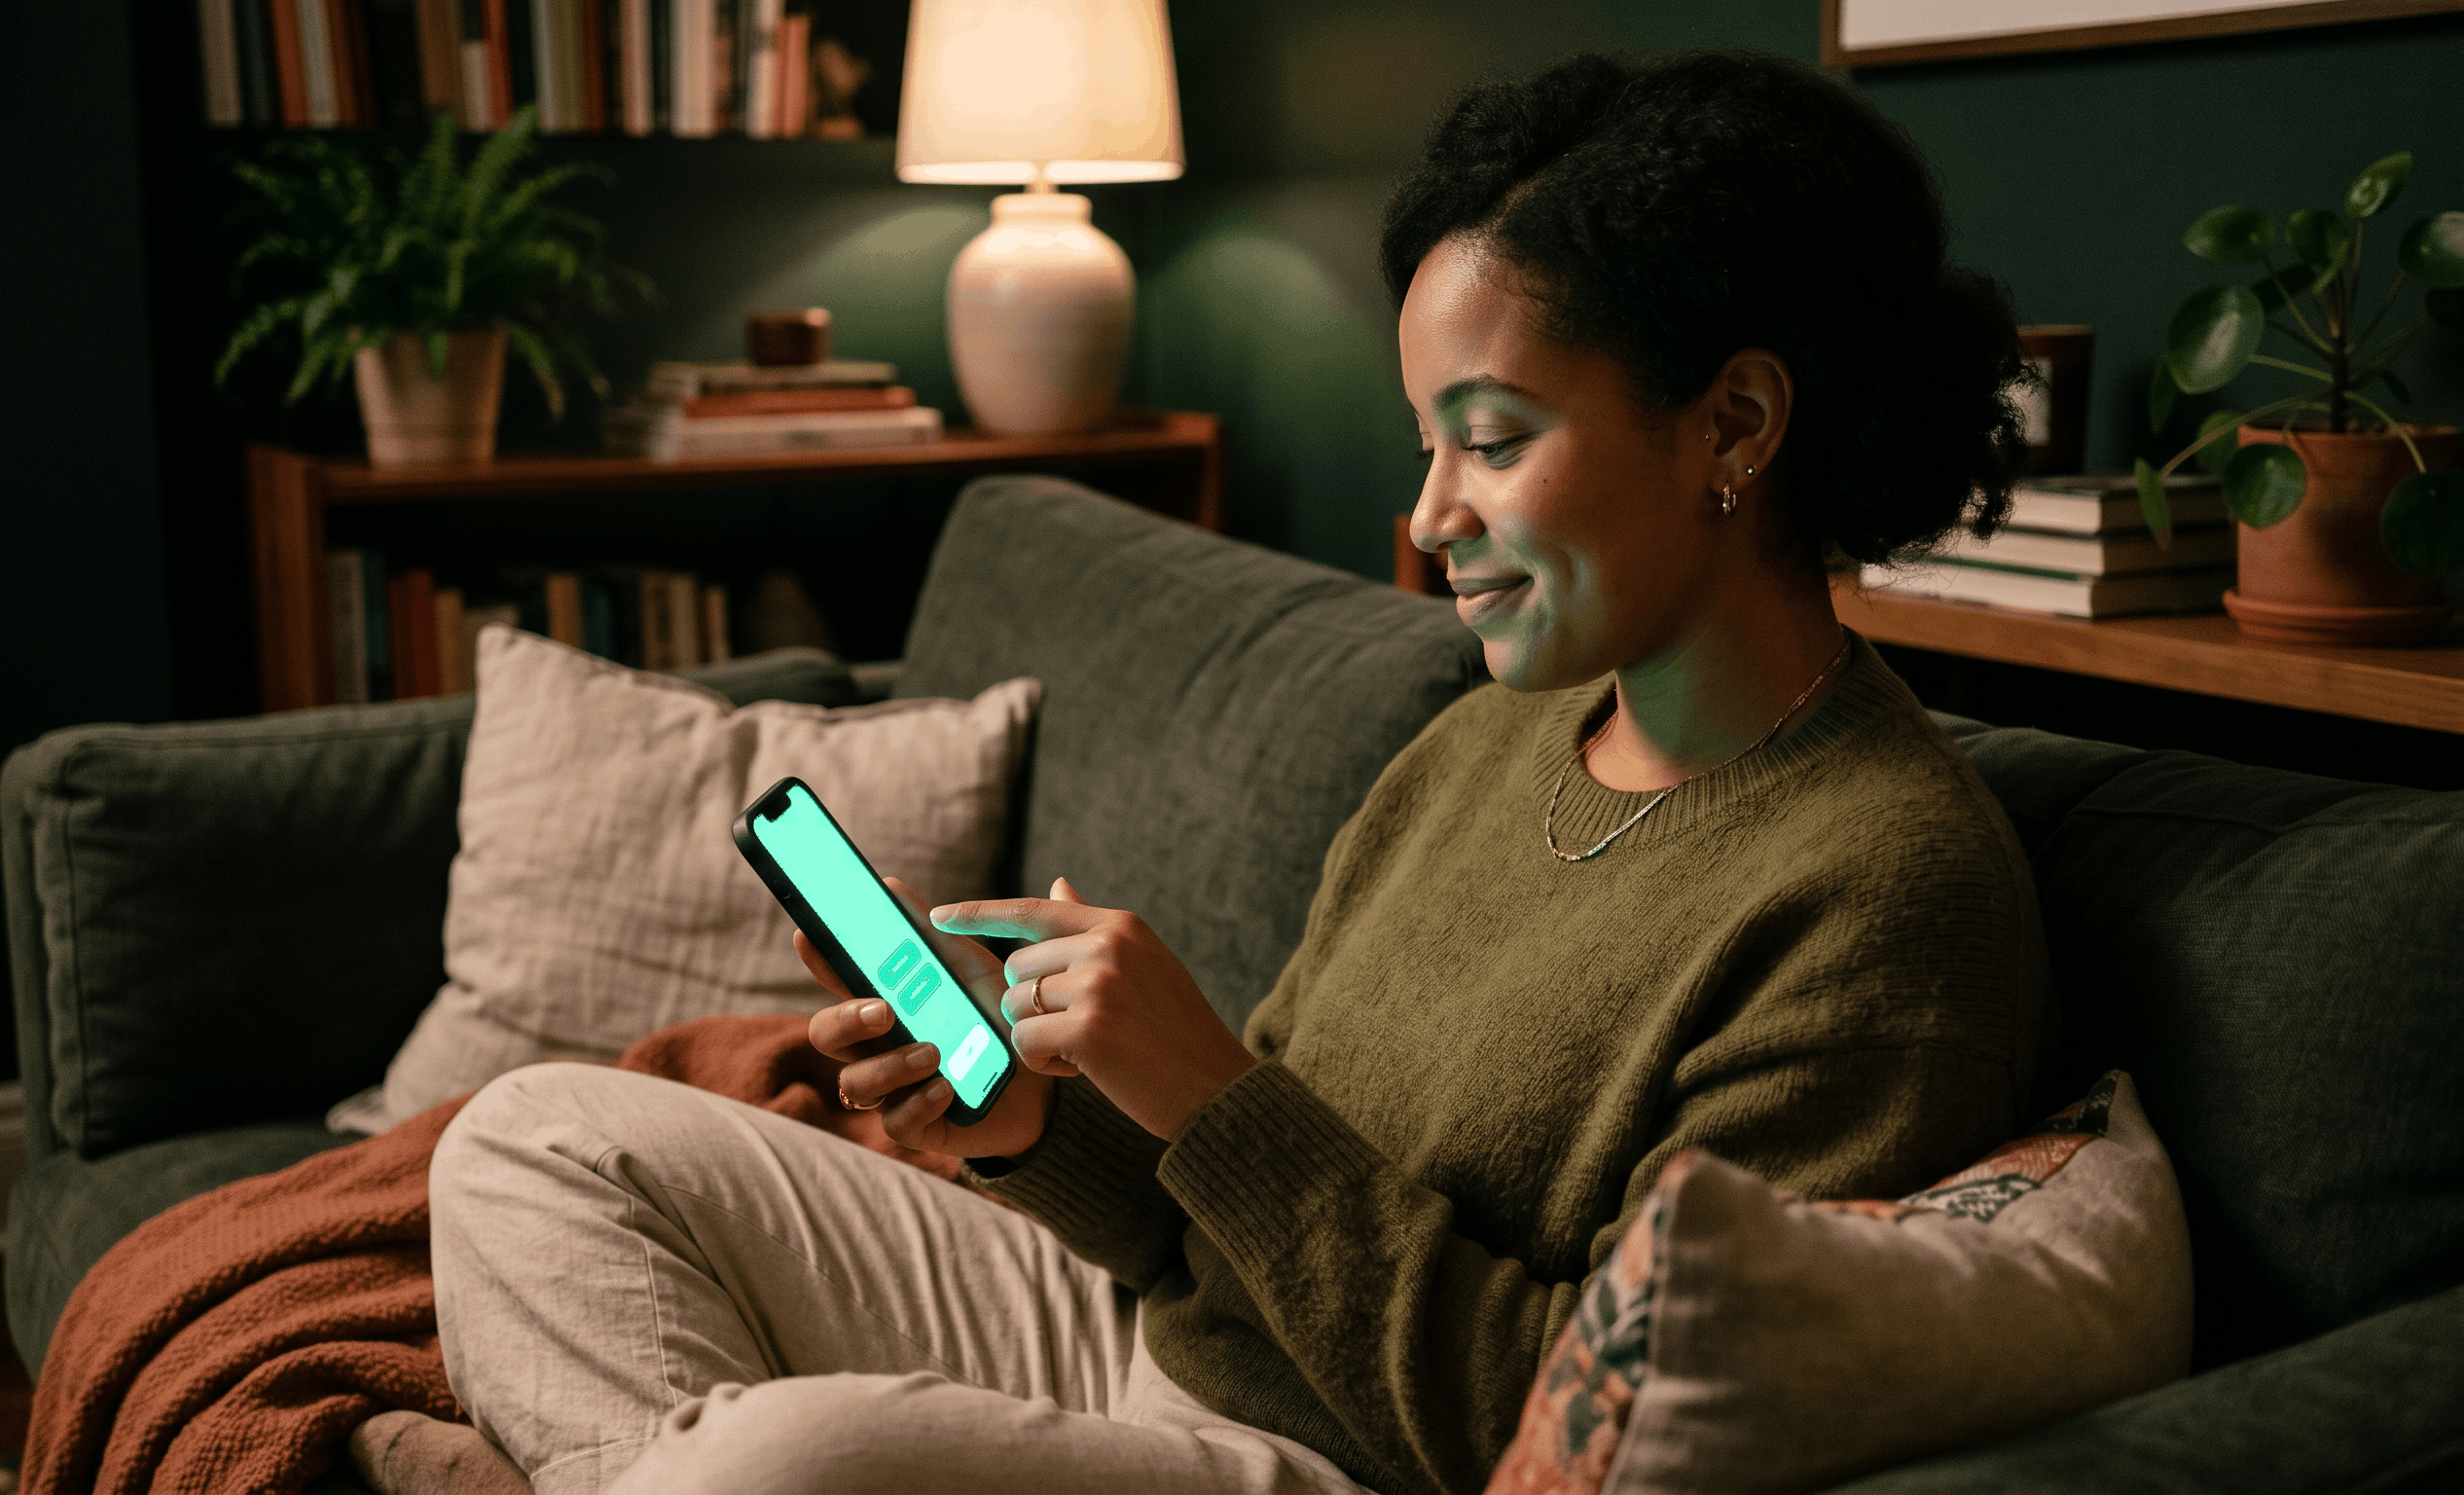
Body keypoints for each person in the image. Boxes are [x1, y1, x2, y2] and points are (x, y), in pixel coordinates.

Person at [427, 48, 2051, 1495]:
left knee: (778, 1466)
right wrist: (1020, 1128)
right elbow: (1200, 1227)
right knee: (531, 1140)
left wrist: (1213, 1088)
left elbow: (1584, 1437)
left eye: (1489, 440)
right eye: (1426, 443)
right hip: (1143, 1340)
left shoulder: (1886, 896)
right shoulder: (1487, 738)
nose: (1427, 519)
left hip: (1335, 1461)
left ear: (1737, 425)